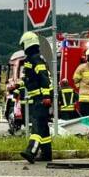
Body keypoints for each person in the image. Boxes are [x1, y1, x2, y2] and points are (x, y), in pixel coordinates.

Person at [19, 31, 53, 162]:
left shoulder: (36, 59)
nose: (22, 47)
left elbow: (44, 78)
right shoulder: (33, 59)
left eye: (23, 45)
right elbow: (31, 79)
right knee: (43, 128)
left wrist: (46, 96)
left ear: (27, 44)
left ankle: (31, 151)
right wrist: (19, 85)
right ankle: (46, 154)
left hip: (41, 98)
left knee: (37, 125)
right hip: (38, 97)